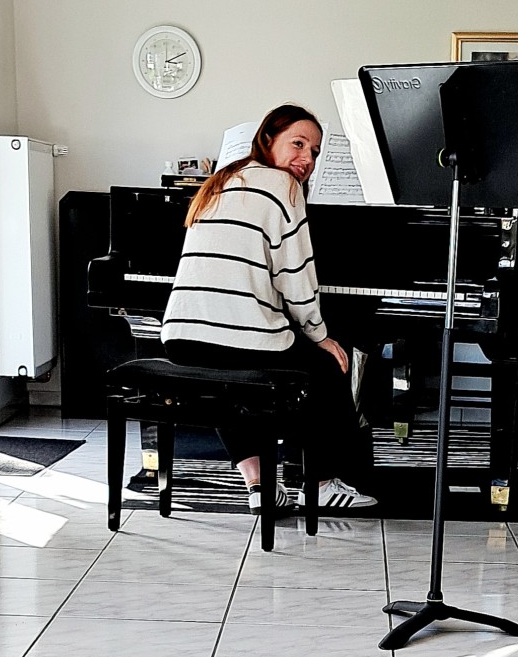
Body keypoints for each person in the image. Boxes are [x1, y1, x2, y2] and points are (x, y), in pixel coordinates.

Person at [160, 103, 377, 513]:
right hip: (235, 335)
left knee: (229, 381)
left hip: (182, 337)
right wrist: (320, 336)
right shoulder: (284, 187)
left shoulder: (221, 181)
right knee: (329, 368)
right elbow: (297, 279)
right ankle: (323, 482)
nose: (306, 159)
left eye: (314, 151)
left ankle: (259, 486)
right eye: (297, 144)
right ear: (267, 141)